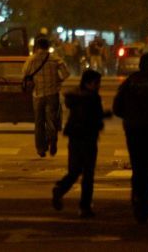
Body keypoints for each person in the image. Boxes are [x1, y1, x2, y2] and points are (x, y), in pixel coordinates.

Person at [113, 53, 148, 223]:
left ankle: (137, 196)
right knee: (147, 165)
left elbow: (117, 107)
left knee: (137, 164)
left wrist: (129, 117)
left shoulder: (128, 83)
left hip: (132, 128)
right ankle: (144, 199)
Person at [52, 70, 104, 218]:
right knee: (88, 174)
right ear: (88, 83)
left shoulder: (76, 97)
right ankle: (85, 207)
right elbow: (93, 118)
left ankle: (60, 189)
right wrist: (101, 119)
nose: (98, 86)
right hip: (87, 139)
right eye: (96, 83)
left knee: (74, 171)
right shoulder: (92, 98)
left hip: (75, 138)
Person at [22, 37, 70, 157]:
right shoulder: (55, 59)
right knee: (51, 120)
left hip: (37, 94)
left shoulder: (31, 60)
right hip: (52, 93)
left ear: (37, 47)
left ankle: (41, 148)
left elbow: (24, 73)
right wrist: (58, 80)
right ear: (48, 47)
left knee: (39, 122)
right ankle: (53, 140)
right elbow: (66, 73)